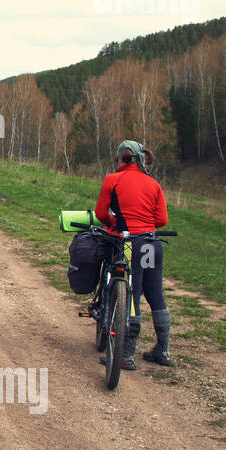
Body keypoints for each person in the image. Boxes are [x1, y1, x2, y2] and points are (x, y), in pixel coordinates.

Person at [94, 139, 173, 370]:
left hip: (130, 244)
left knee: (132, 296)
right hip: (152, 244)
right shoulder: (153, 184)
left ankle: (126, 354)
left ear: (121, 158)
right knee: (156, 295)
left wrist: (114, 222)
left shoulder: (113, 179)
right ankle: (163, 349)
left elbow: (101, 213)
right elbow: (162, 220)